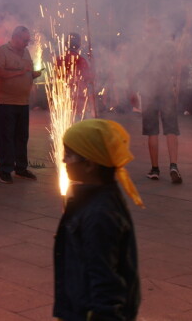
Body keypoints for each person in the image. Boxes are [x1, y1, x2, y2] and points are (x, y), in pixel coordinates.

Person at [54, 118, 143, 321]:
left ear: (89, 165)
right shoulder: (99, 198)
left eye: (68, 155)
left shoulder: (99, 214)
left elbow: (106, 283)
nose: (63, 161)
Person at [138, 18, 183, 184]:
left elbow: (136, 70)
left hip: (149, 92)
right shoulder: (168, 46)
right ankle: (173, 165)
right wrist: (176, 86)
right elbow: (177, 67)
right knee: (171, 129)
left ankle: (155, 169)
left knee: (152, 132)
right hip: (166, 90)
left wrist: (135, 91)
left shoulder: (142, 48)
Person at [0, 25, 39, 183]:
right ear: (16, 38)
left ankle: (21, 168)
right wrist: (19, 72)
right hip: (5, 102)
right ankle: (5, 170)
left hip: (22, 102)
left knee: (22, 137)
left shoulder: (25, 52)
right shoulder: (2, 51)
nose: (27, 44)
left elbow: (27, 71)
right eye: (25, 40)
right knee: (6, 137)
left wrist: (33, 75)